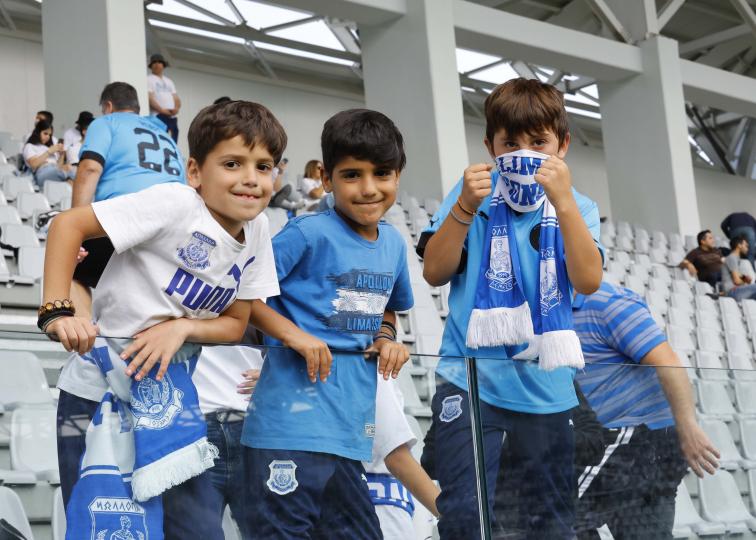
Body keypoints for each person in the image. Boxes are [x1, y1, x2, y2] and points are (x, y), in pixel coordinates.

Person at [47, 100, 330, 540]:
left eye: (264, 166)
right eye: (233, 164)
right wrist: (56, 310)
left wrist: (182, 328)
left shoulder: (258, 230)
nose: (251, 178)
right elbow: (68, 226)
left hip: (171, 397)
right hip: (96, 392)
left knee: (198, 530)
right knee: (103, 524)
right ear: (195, 172)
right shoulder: (175, 203)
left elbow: (235, 323)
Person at [418, 77, 603, 539]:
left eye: (539, 143)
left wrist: (563, 203)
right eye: (511, 144)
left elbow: (588, 280)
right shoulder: (472, 195)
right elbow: (435, 272)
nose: (525, 153)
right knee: (465, 517)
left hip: (548, 390)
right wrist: (464, 205)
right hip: (470, 381)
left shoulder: (579, 207)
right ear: (490, 147)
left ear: (562, 145)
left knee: (551, 526)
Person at [241, 108, 414, 539]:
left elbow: (388, 308)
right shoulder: (306, 233)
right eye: (352, 175)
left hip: (348, 438)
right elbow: (241, 293)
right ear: (326, 176)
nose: (368, 188)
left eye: (382, 174)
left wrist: (386, 337)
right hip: (287, 432)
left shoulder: (394, 244)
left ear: (398, 175)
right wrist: (294, 336)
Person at [572, 282, 719, 538]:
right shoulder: (552, 312)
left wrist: (688, 426)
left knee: (558, 513)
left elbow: (668, 361)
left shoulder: (607, 302)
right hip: (629, 443)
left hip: (638, 439)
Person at [71, 82, 184, 320]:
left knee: (71, 268)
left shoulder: (106, 122)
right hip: (175, 225)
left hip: (125, 214)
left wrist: (76, 229)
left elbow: (90, 168)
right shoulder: (166, 135)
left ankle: (85, 335)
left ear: (108, 106)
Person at [365, 377, 440, 540]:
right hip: (384, 514)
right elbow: (397, 458)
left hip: (377, 507)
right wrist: (450, 514)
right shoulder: (374, 375)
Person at [22, 119, 76, 186]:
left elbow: (58, 166)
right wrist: (49, 152)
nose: (48, 137)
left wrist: (62, 154)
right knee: (69, 168)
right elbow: (33, 164)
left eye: (50, 135)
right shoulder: (30, 146)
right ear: (38, 132)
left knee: (71, 180)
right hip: (42, 173)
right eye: (45, 133)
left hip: (54, 170)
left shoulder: (47, 147)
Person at [147, 53, 181, 142]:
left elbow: (176, 98)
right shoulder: (148, 79)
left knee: (173, 141)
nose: (157, 64)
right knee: (160, 140)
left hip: (172, 116)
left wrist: (176, 108)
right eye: (154, 62)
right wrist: (162, 110)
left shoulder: (169, 81)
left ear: (163, 65)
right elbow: (150, 98)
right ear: (151, 65)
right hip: (158, 116)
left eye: (159, 62)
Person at [721, 236, 756, 301]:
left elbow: (740, 276)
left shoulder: (736, 259)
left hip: (737, 290)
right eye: (746, 246)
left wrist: (746, 279)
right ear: (739, 245)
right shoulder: (732, 258)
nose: (747, 249)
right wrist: (745, 280)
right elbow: (737, 281)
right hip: (732, 291)